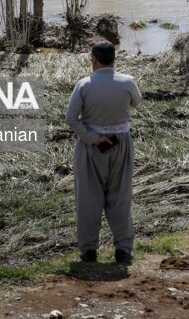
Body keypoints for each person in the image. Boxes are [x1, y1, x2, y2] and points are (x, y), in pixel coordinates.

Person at [65, 40, 142, 264]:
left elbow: (71, 119)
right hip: (121, 144)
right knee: (120, 197)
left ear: (94, 60)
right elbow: (136, 102)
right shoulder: (128, 81)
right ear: (113, 60)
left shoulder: (84, 85)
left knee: (89, 199)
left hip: (92, 146)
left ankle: (89, 250)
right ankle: (123, 249)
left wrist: (93, 138)